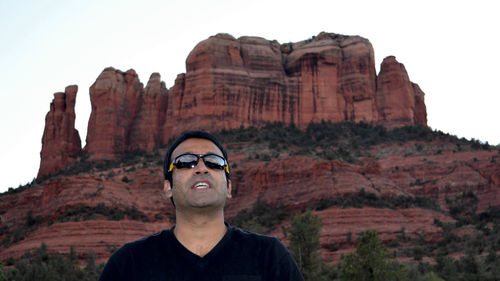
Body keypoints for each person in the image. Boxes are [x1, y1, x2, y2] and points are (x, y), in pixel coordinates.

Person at [99, 131, 304, 281]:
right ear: (168, 187)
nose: (201, 168)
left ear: (229, 187)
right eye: (185, 161)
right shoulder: (129, 263)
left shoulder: (269, 256)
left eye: (214, 161)